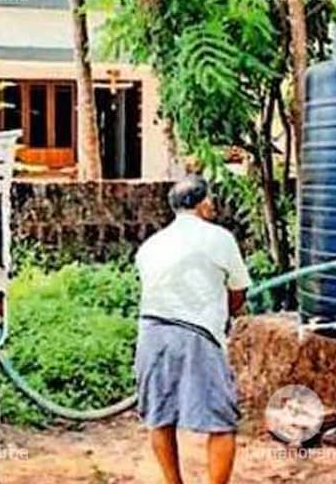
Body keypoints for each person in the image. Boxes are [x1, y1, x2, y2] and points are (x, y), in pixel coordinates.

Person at [134, 175, 252, 484]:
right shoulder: (220, 238)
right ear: (202, 204)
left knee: (159, 416)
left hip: (152, 333)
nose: (212, 204)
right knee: (221, 421)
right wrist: (227, 311)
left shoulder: (150, 245)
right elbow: (238, 290)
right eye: (209, 199)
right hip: (197, 334)